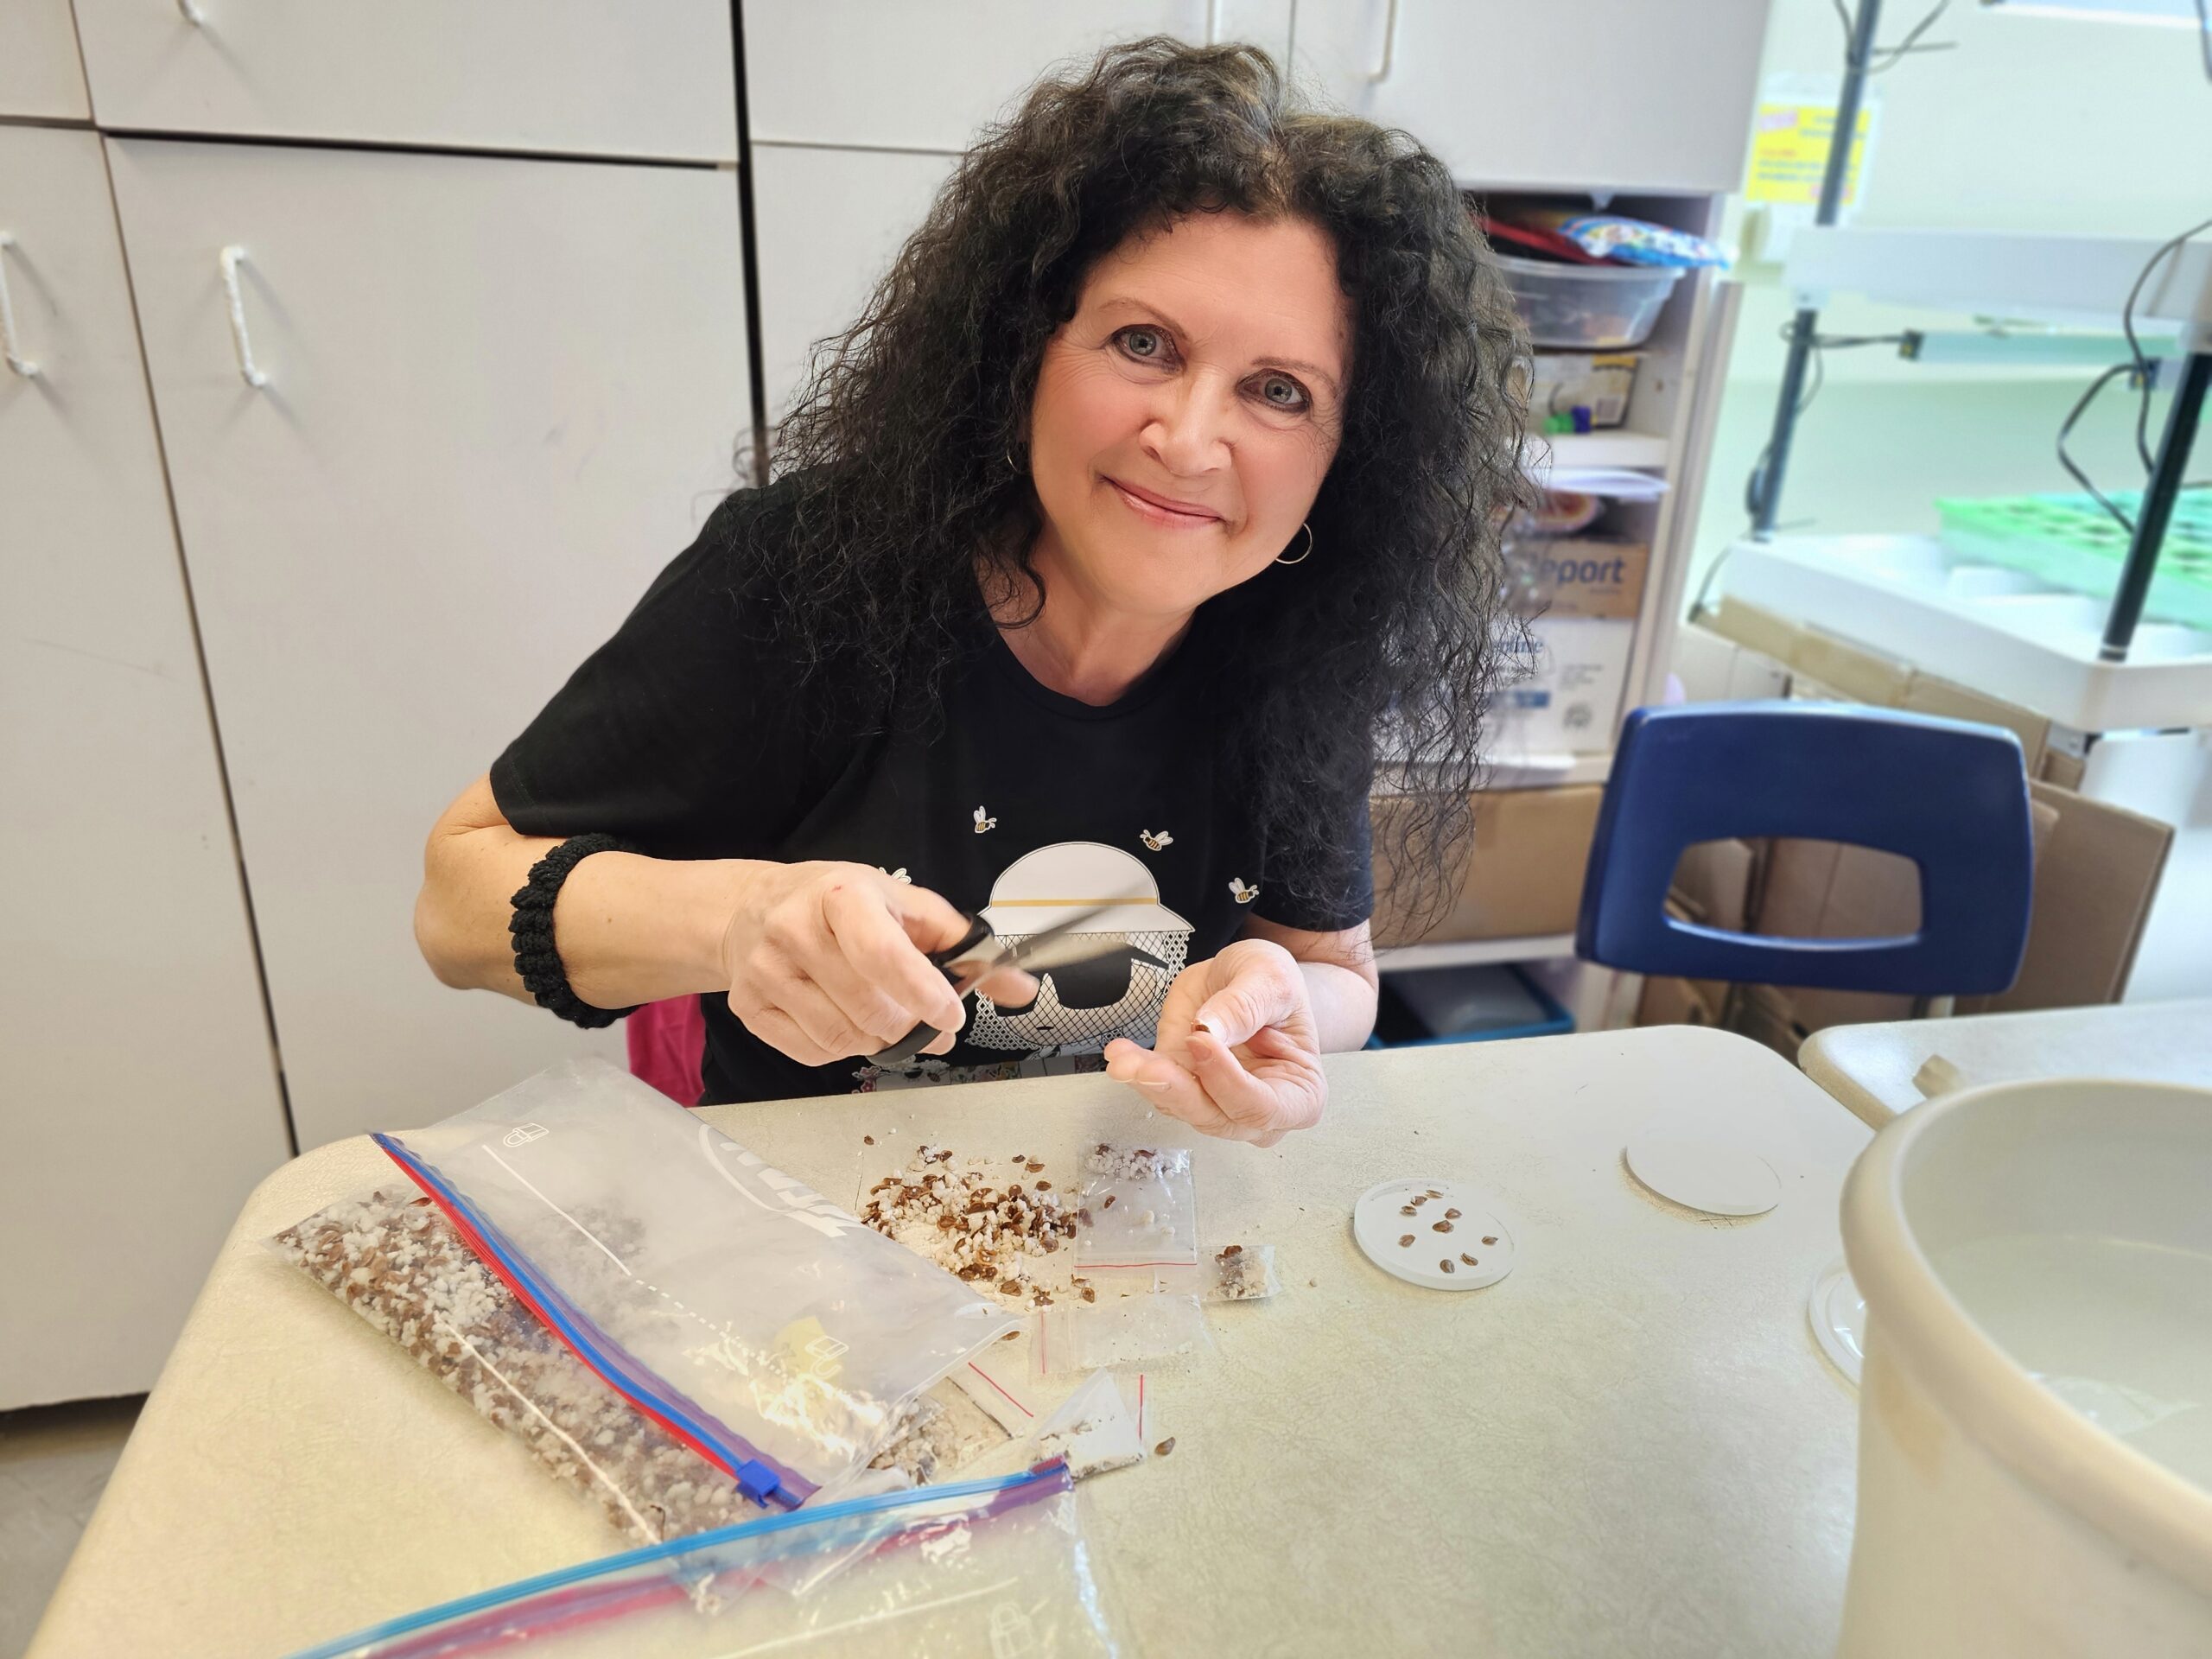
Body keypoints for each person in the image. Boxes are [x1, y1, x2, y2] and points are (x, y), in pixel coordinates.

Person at [414, 37, 1531, 1144]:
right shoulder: (809, 571)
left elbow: (1336, 971)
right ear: (1024, 347)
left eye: (1280, 391)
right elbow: (455, 905)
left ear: (1350, 457)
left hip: (1134, 1210)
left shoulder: (1304, 644)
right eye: (1143, 342)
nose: (1189, 442)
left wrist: (1283, 1005)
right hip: (799, 1216)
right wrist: (739, 917)